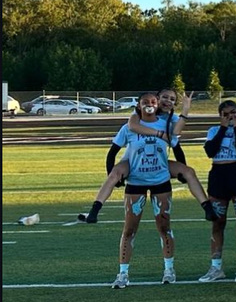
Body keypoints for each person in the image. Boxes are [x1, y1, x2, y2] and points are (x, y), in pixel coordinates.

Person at [81, 88, 216, 224]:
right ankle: (95, 210)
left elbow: (176, 138)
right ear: (157, 98)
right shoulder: (140, 113)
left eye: (172, 99)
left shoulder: (170, 120)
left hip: (158, 163)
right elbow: (132, 126)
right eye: (164, 97)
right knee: (115, 174)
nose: (167, 101)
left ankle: (207, 208)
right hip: (133, 161)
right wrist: (159, 134)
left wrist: (185, 110)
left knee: (189, 172)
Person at [110, 92, 176, 288]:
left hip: (160, 181)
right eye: (145, 102)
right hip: (136, 182)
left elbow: (176, 146)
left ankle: (169, 270)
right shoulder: (129, 126)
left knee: (164, 227)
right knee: (129, 228)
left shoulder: (165, 124)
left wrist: (180, 168)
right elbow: (112, 152)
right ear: (138, 105)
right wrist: (114, 177)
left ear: (157, 105)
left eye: (153, 102)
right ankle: (123, 273)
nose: (149, 105)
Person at [199, 99, 236, 282]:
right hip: (218, 175)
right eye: (225, 114)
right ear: (219, 117)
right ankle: (216, 267)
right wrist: (224, 128)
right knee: (217, 222)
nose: (230, 116)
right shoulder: (214, 131)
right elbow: (210, 151)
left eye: (233, 112)